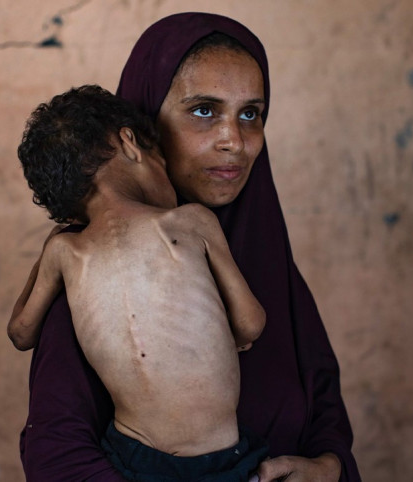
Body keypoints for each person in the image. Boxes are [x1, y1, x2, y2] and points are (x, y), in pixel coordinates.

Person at [19, 12, 362, 482]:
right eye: (204, 110)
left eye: (251, 114)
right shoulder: (91, 270)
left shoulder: (267, 256)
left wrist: (329, 468)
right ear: (140, 132)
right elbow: (57, 454)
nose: (234, 142)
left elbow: (324, 409)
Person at [9, 84, 269, 480]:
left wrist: (53, 244)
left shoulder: (66, 252)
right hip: (219, 457)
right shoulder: (189, 221)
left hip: (133, 458)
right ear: (130, 142)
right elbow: (250, 322)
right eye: (162, 159)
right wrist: (228, 334)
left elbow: (21, 332)